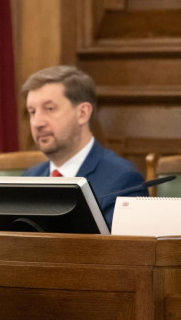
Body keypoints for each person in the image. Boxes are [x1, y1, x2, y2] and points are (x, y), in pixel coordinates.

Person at [21, 65, 145, 229]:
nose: (37, 123)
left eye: (49, 109)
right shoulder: (29, 178)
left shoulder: (123, 181)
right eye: (32, 112)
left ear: (83, 113)